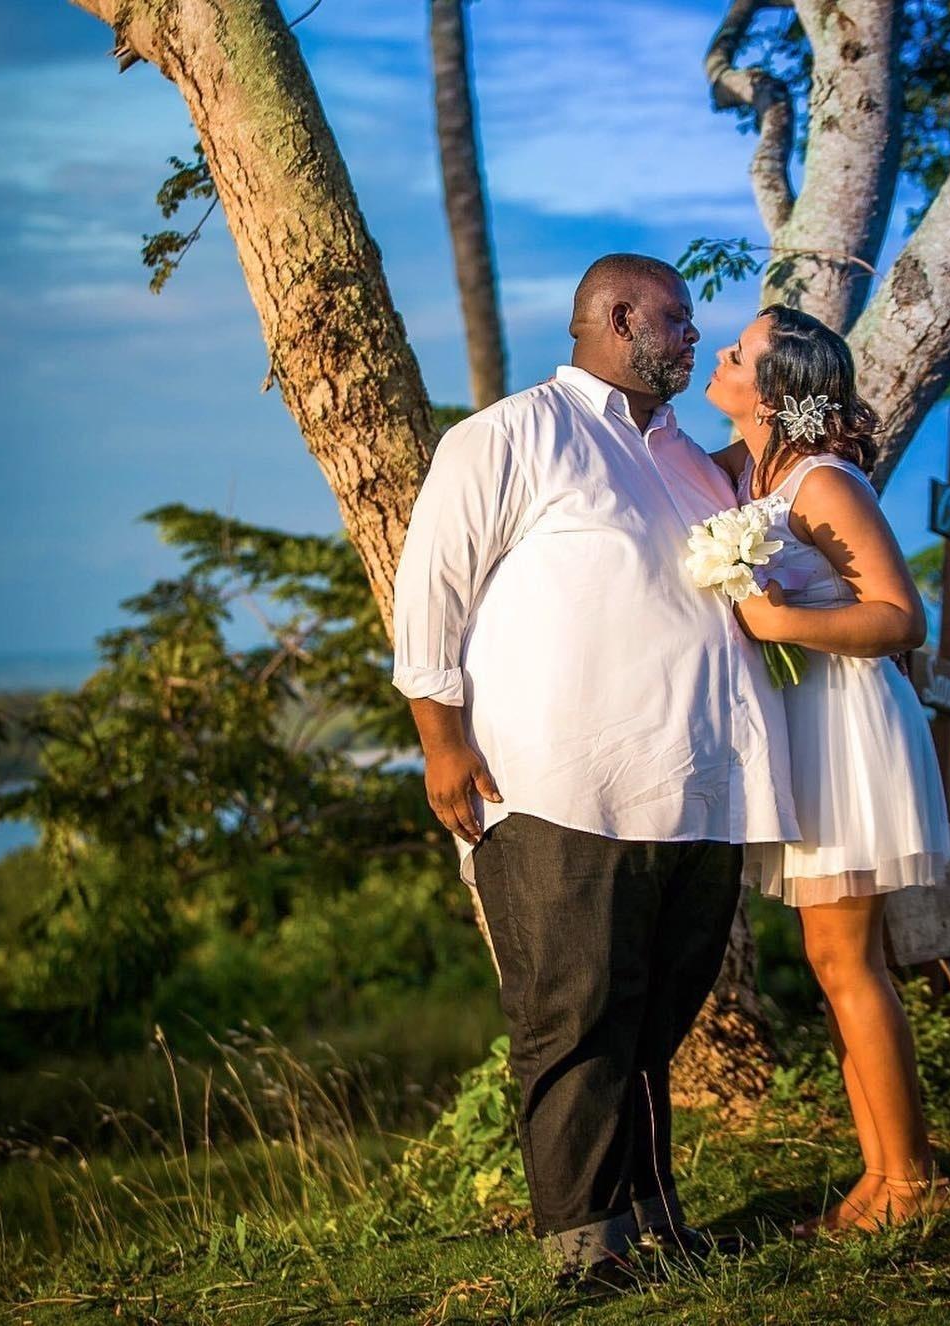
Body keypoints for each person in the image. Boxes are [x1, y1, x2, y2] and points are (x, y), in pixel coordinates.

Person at [391, 253, 799, 1285]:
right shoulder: (509, 435)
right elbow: (429, 593)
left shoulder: (692, 463)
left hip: (697, 790)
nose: (691, 339)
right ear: (615, 319)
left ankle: (654, 1218)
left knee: (655, 1018)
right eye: (674, 321)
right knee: (572, 1017)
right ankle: (584, 1248)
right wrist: (442, 742)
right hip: (556, 786)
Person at [707, 304, 950, 1235]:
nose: (721, 355)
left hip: (847, 726)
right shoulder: (748, 470)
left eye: (739, 352)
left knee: (845, 960)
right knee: (833, 961)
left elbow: (899, 618)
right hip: (802, 726)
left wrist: (779, 625)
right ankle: (881, 1175)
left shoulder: (821, 481)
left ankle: (912, 1183)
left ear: (773, 393)